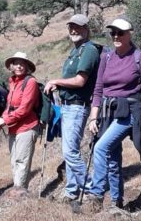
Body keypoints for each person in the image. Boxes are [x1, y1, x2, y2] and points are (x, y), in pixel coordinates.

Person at [83, 18, 141, 211]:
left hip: (128, 113)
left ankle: (96, 196)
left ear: (129, 34)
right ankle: (117, 202)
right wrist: (93, 118)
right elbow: (98, 90)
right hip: (107, 112)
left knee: (100, 149)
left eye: (120, 33)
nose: (115, 36)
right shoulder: (105, 58)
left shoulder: (140, 57)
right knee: (113, 158)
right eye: (112, 32)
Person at [43, 14, 101, 202]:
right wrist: (57, 86)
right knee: (70, 151)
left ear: (86, 29)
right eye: (71, 27)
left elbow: (80, 81)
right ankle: (71, 192)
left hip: (77, 106)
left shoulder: (89, 50)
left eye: (78, 27)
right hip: (68, 106)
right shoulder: (76, 51)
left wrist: (55, 81)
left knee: (70, 152)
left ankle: (90, 189)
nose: (74, 30)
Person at [0, 51, 40, 194]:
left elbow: (25, 109)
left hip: (27, 127)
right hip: (14, 128)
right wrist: (2, 119)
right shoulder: (12, 82)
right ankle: (17, 192)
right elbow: (9, 106)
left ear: (27, 66)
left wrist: (5, 120)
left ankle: (18, 195)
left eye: (22, 63)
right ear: (11, 66)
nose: (19, 66)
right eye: (16, 63)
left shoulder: (30, 82)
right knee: (14, 162)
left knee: (21, 162)